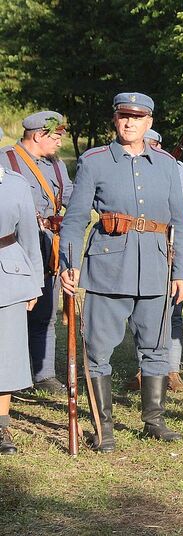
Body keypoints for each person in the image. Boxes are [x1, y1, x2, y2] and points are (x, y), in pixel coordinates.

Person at [59, 92, 183, 452]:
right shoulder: (94, 162)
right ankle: (104, 429)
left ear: (149, 123)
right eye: (123, 116)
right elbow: (73, 221)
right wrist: (68, 265)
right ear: (115, 120)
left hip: (155, 266)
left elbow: (178, 221)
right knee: (98, 350)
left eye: (137, 117)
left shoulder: (166, 165)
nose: (130, 123)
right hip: (108, 267)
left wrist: (181, 271)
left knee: (156, 348)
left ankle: (154, 421)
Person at [0, 111, 72, 394]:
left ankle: (44, 374)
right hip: (15, 246)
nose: (59, 143)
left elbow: (69, 197)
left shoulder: (57, 165)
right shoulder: (6, 160)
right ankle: (11, 376)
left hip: (49, 244)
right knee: (13, 313)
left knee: (46, 312)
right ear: (39, 135)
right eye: (56, 137)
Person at [125, 128, 183, 393]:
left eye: (153, 144)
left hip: (173, 245)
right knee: (141, 312)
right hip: (143, 244)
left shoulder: (175, 167)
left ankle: (172, 370)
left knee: (174, 312)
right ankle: (144, 369)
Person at [0, 166, 44, 454]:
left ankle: (0, 425)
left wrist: (35, 283)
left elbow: (29, 236)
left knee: (7, 353)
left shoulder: (15, 184)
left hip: (8, 275)